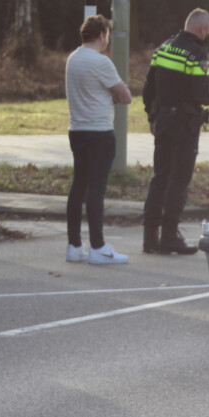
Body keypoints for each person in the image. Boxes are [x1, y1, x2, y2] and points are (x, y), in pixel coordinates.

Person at [142, 8, 209, 254]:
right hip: (184, 124)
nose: (207, 36)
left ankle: (150, 238)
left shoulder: (163, 48)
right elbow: (200, 93)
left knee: (159, 177)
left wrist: (152, 115)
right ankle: (170, 236)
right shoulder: (197, 54)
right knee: (179, 179)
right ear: (202, 29)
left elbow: (149, 87)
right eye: (208, 31)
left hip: (163, 120)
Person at [65, 14, 132, 265]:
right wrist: (112, 95)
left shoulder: (72, 59)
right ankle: (98, 246)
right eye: (108, 35)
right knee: (96, 189)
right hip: (99, 132)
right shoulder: (101, 62)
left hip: (77, 128)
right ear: (102, 35)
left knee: (78, 186)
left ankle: (74, 245)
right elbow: (124, 95)